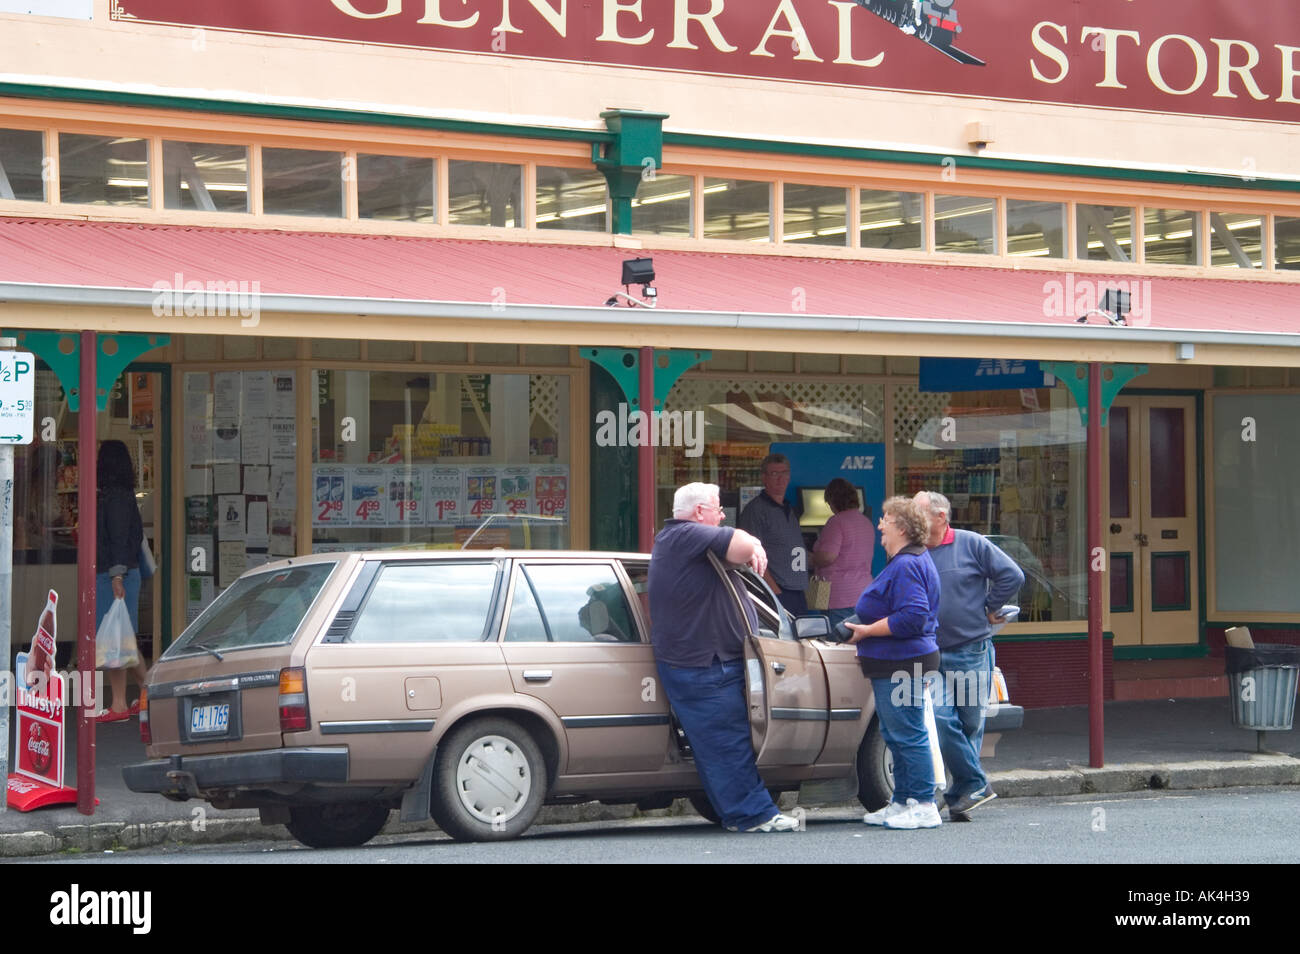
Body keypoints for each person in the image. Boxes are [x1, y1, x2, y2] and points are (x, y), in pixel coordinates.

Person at [648, 482, 799, 833]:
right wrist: (756, 543)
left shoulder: (682, 542)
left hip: (707, 662)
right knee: (727, 743)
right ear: (700, 512)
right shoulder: (686, 534)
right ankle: (752, 814)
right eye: (717, 509)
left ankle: (740, 811)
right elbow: (741, 543)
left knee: (723, 743)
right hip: (703, 665)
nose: (721, 516)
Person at [913, 490, 1025, 822]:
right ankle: (975, 785)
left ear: (939, 517)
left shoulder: (971, 543)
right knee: (943, 720)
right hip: (931, 653)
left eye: (917, 512)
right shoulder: (915, 551)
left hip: (971, 649)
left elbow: (1013, 575)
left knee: (970, 724)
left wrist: (991, 607)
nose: (910, 518)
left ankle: (960, 795)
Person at [844, 495, 942, 830]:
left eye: (885, 518)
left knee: (908, 733)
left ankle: (924, 804)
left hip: (904, 662)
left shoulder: (906, 564)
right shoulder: (907, 560)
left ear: (901, 526)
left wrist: (867, 630)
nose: (879, 525)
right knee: (896, 732)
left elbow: (913, 617)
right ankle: (902, 801)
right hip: (898, 662)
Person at [96, 439, 149, 722]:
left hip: (115, 576)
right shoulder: (123, 495)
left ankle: (120, 704)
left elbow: (117, 539)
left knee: (117, 642)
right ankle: (148, 693)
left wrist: (116, 576)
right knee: (121, 642)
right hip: (122, 574)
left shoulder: (114, 497)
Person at [737, 453, 808, 616]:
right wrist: (774, 592)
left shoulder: (789, 509)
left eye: (784, 473)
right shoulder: (756, 510)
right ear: (764, 477)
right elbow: (750, 556)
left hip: (798, 591)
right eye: (775, 474)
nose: (780, 478)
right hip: (777, 593)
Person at [811, 478, 875, 628]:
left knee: (837, 643)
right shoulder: (866, 522)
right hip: (863, 592)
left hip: (837, 595)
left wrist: (812, 559)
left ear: (833, 501)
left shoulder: (836, 522)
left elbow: (828, 556)